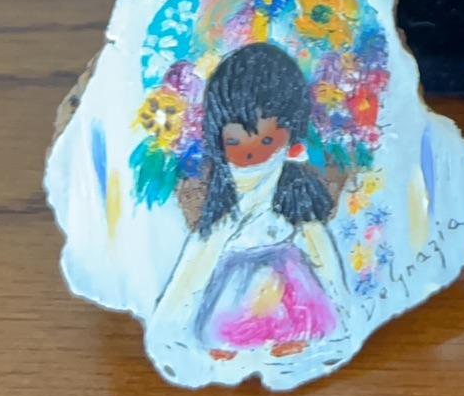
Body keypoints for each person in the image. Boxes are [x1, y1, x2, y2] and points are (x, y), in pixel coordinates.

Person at [148, 42, 351, 374]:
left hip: (286, 289)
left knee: (286, 301)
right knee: (229, 316)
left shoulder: (291, 189)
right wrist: (167, 319)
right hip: (234, 291)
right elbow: (199, 259)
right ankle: (230, 344)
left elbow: (319, 248)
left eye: (266, 140)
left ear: (290, 134)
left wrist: (342, 301)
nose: (250, 152)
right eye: (234, 141)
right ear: (218, 139)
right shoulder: (225, 200)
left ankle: (289, 337)